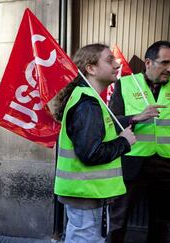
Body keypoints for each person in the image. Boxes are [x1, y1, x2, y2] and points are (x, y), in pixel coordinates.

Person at [53, 44, 138, 243]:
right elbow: (91, 153)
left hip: (88, 193)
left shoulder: (89, 99)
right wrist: (124, 142)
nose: (117, 64)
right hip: (87, 195)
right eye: (109, 60)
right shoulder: (88, 104)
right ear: (90, 68)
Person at [107, 40, 170, 243]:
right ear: (148, 62)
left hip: (166, 164)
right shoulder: (124, 84)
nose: (169, 68)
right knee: (118, 221)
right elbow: (111, 123)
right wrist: (136, 117)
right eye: (165, 62)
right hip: (131, 163)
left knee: (163, 223)